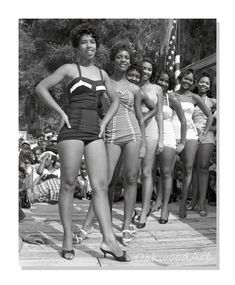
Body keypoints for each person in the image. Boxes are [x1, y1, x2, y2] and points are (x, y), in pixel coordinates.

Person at [35, 24, 128, 262]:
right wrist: (60, 113)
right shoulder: (68, 68)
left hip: (93, 130)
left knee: (100, 185)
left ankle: (108, 240)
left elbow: (115, 99)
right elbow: (41, 88)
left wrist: (105, 122)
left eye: (93, 42)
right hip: (71, 128)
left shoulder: (102, 74)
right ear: (77, 47)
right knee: (68, 183)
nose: (90, 46)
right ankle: (67, 238)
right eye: (85, 42)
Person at [74, 41, 150, 246]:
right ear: (113, 59)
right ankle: (88, 225)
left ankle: (126, 225)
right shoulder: (103, 81)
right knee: (105, 182)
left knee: (131, 179)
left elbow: (141, 116)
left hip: (133, 133)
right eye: (120, 57)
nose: (124, 60)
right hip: (111, 135)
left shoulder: (135, 88)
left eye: (127, 57)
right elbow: (97, 108)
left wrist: (143, 144)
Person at [171, 69, 213, 218]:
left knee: (195, 168)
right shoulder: (173, 96)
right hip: (178, 134)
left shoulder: (201, 99)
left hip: (195, 136)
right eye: (185, 79)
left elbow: (210, 117)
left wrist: (205, 133)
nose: (187, 82)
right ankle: (187, 201)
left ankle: (192, 204)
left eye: (191, 80)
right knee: (180, 169)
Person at [146, 70, 186, 224]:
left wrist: (182, 142)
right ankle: (150, 203)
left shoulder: (171, 98)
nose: (162, 83)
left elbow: (183, 120)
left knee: (166, 173)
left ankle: (164, 207)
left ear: (169, 85)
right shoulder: (149, 95)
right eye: (160, 80)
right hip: (151, 134)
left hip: (168, 136)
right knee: (149, 172)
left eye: (166, 81)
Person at [133, 59, 164, 228]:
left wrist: (161, 138)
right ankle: (131, 208)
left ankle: (144, 211)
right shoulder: (133, 85)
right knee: (131, 173)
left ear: (153, 72)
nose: (146, 71)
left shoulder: (157, 89)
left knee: (146, 172)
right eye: (143, 68)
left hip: (151, 132)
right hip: (134, 131)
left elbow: (159, 114)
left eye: (149, 69)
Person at [188, 72, 216, 216]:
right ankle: (193, 201)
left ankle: (202, 204)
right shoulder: (191, 99)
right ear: (197, 82)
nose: (204, 85)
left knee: (203, 168)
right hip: (192, 135)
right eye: (202, 82)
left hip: (206, 136)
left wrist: (207, 130)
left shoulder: (213, 102)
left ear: (210, 86)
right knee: (193, 168)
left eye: (207, 83)